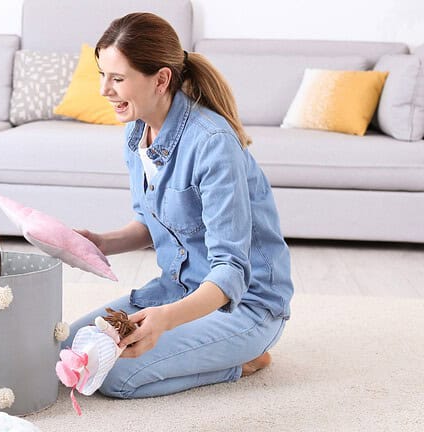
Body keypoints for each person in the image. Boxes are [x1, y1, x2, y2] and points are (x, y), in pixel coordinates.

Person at [67, 12, 294, 399]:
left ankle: (244, 359)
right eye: (102, 75)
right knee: (75, 344)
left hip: (245, 305)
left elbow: (230, 272)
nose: (105, 90)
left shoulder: (213, 144)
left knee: (118, 376)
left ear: (160, 79)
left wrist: (164, 321)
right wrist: (101, 242)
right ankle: (205, 348)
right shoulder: (136, 131)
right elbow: (154, 222)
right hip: (180, 289)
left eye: (118, 78)